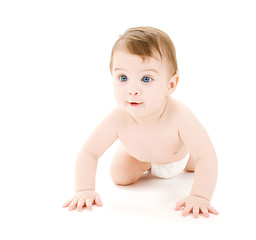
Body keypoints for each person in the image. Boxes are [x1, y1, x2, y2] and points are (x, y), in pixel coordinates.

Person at [63, 26, 219, 218]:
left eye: (146, 79)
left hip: (178, 159)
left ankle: (189, 160)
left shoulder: (180, 116)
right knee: (120, 176)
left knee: (198, 161)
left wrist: (199, 196)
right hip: (140, 157)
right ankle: (145, 164)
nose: (132, 89)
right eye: (123, 78)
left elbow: (207, 156)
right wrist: (84, 189)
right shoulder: (118, 118)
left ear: (170, 85)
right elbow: (90, 152)